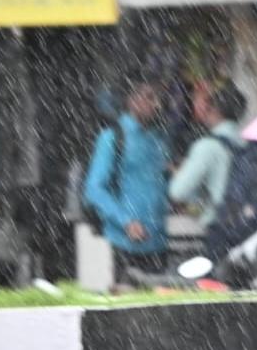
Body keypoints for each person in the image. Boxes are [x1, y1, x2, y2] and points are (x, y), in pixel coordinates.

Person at [83, 72, 171, 275]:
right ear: (132, 100)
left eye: (158, 98)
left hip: (158, 242)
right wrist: (126, 221)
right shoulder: (113, 138)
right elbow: (94, 189)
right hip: (126, 244)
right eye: (150, 97)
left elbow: (158, 182)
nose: (157, 104)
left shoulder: (159, 140)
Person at [169, 84, 247, 230]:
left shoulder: (207, 146)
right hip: (247, 221)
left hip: (220, 225)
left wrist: (177, 173)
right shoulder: (247, 142)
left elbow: (178, 191)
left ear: (214, 110)